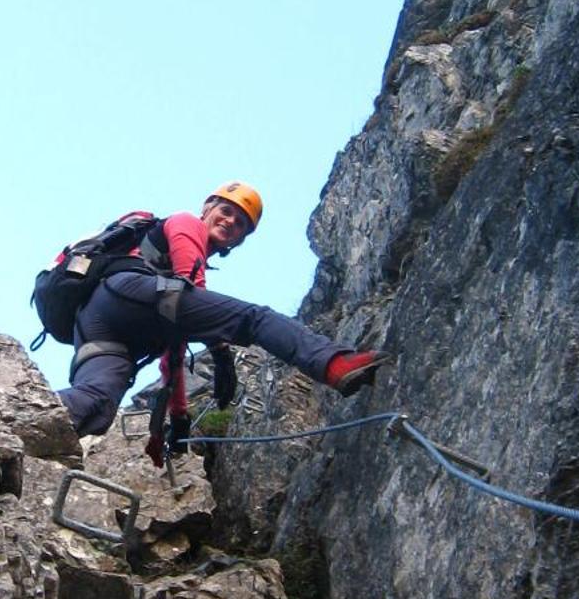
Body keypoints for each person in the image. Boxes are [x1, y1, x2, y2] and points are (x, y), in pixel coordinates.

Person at [58, 181, 388, 448]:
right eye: (226, 211)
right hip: (122, 294)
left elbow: (173, 346)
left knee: (96, 404)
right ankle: (334, 364)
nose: (230, 221)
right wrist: (221, 353)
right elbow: (188, 288)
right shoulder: (186, 223)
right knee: (255, 319)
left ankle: (28, 417)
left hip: (97, 327)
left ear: (241, 239)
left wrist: (175, 416)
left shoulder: (168, 280)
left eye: (240, 223)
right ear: (208, 208)